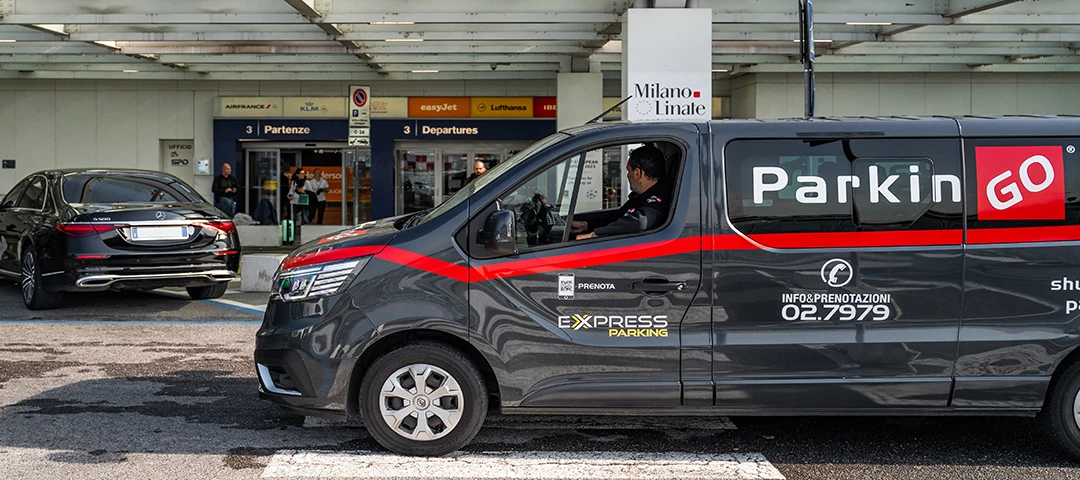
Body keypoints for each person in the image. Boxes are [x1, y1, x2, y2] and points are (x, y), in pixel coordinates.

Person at [571, 145, 670, 240]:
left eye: (629, 171)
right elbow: (618, 217)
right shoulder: (640, 196)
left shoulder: (659, 199)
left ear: (637, 173)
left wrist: (595, 234)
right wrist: (587, 225)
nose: (627, 175)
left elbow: (640, 222)